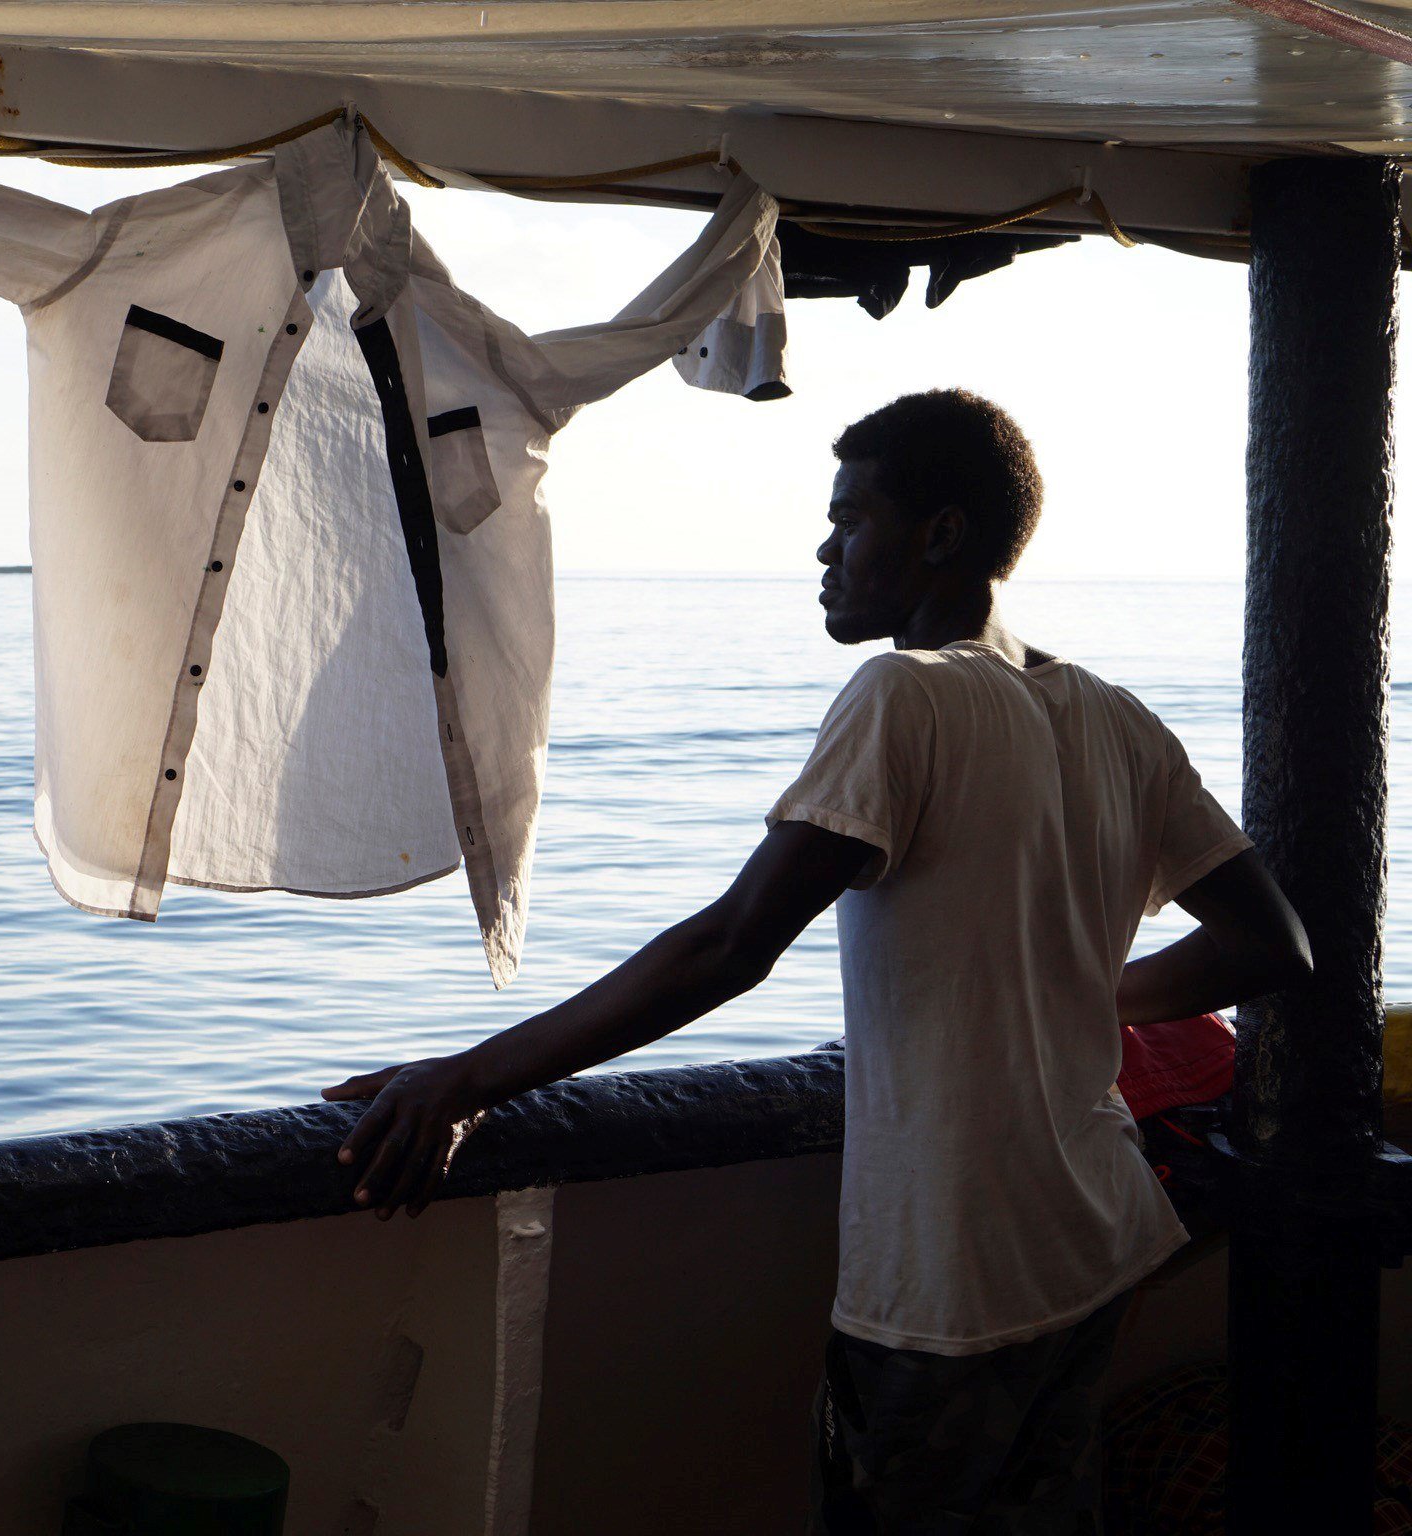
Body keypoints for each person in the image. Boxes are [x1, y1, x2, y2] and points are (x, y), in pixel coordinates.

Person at [323, 389, 1312, 1533]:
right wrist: (1081, 989)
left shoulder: (907, 693)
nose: (824, 548)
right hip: (1094, 1234)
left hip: (956, 1272)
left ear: (939, 533)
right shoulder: (1115, 715)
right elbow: (1268, 944)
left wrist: (469, 1078)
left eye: (851, 518)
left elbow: (734, 944)